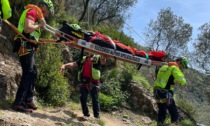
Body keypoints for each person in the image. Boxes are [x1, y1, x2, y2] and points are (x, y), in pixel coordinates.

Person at [12, 0, 54, 113]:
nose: (47, 15)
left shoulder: (36, 15)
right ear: (44, 7)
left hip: (29, 46)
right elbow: (27, 28)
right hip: (24, 45)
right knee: (29, 72)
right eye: (48, 12)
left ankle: (28, 100)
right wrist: (40, 24)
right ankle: (18, 103)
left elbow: (33, 34)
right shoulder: (33, 12)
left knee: (33, 72)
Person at [60, 51, 106, 118]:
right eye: (86, 50)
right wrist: (64, 65)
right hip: (84, 81)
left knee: (95, 99)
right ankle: (86, 115)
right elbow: (73, 64)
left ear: (92, 50)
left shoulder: (97, 58)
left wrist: (103, 58)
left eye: (88, 50)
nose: (87, 51)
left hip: (94, 82)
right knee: (83, 98)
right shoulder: (83, 59)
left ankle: (96, 116)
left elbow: (102, 62)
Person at [153, 56, 188, 125]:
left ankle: (160, 124)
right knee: (174, 112)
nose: (181, 68)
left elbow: (167, 79)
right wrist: (184, 84)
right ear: (179, 62)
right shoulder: (174, 68)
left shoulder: (163, 67)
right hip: (165, 93)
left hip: (157, 92)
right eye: (182, 66)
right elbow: (180, 78)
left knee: (162, 111)